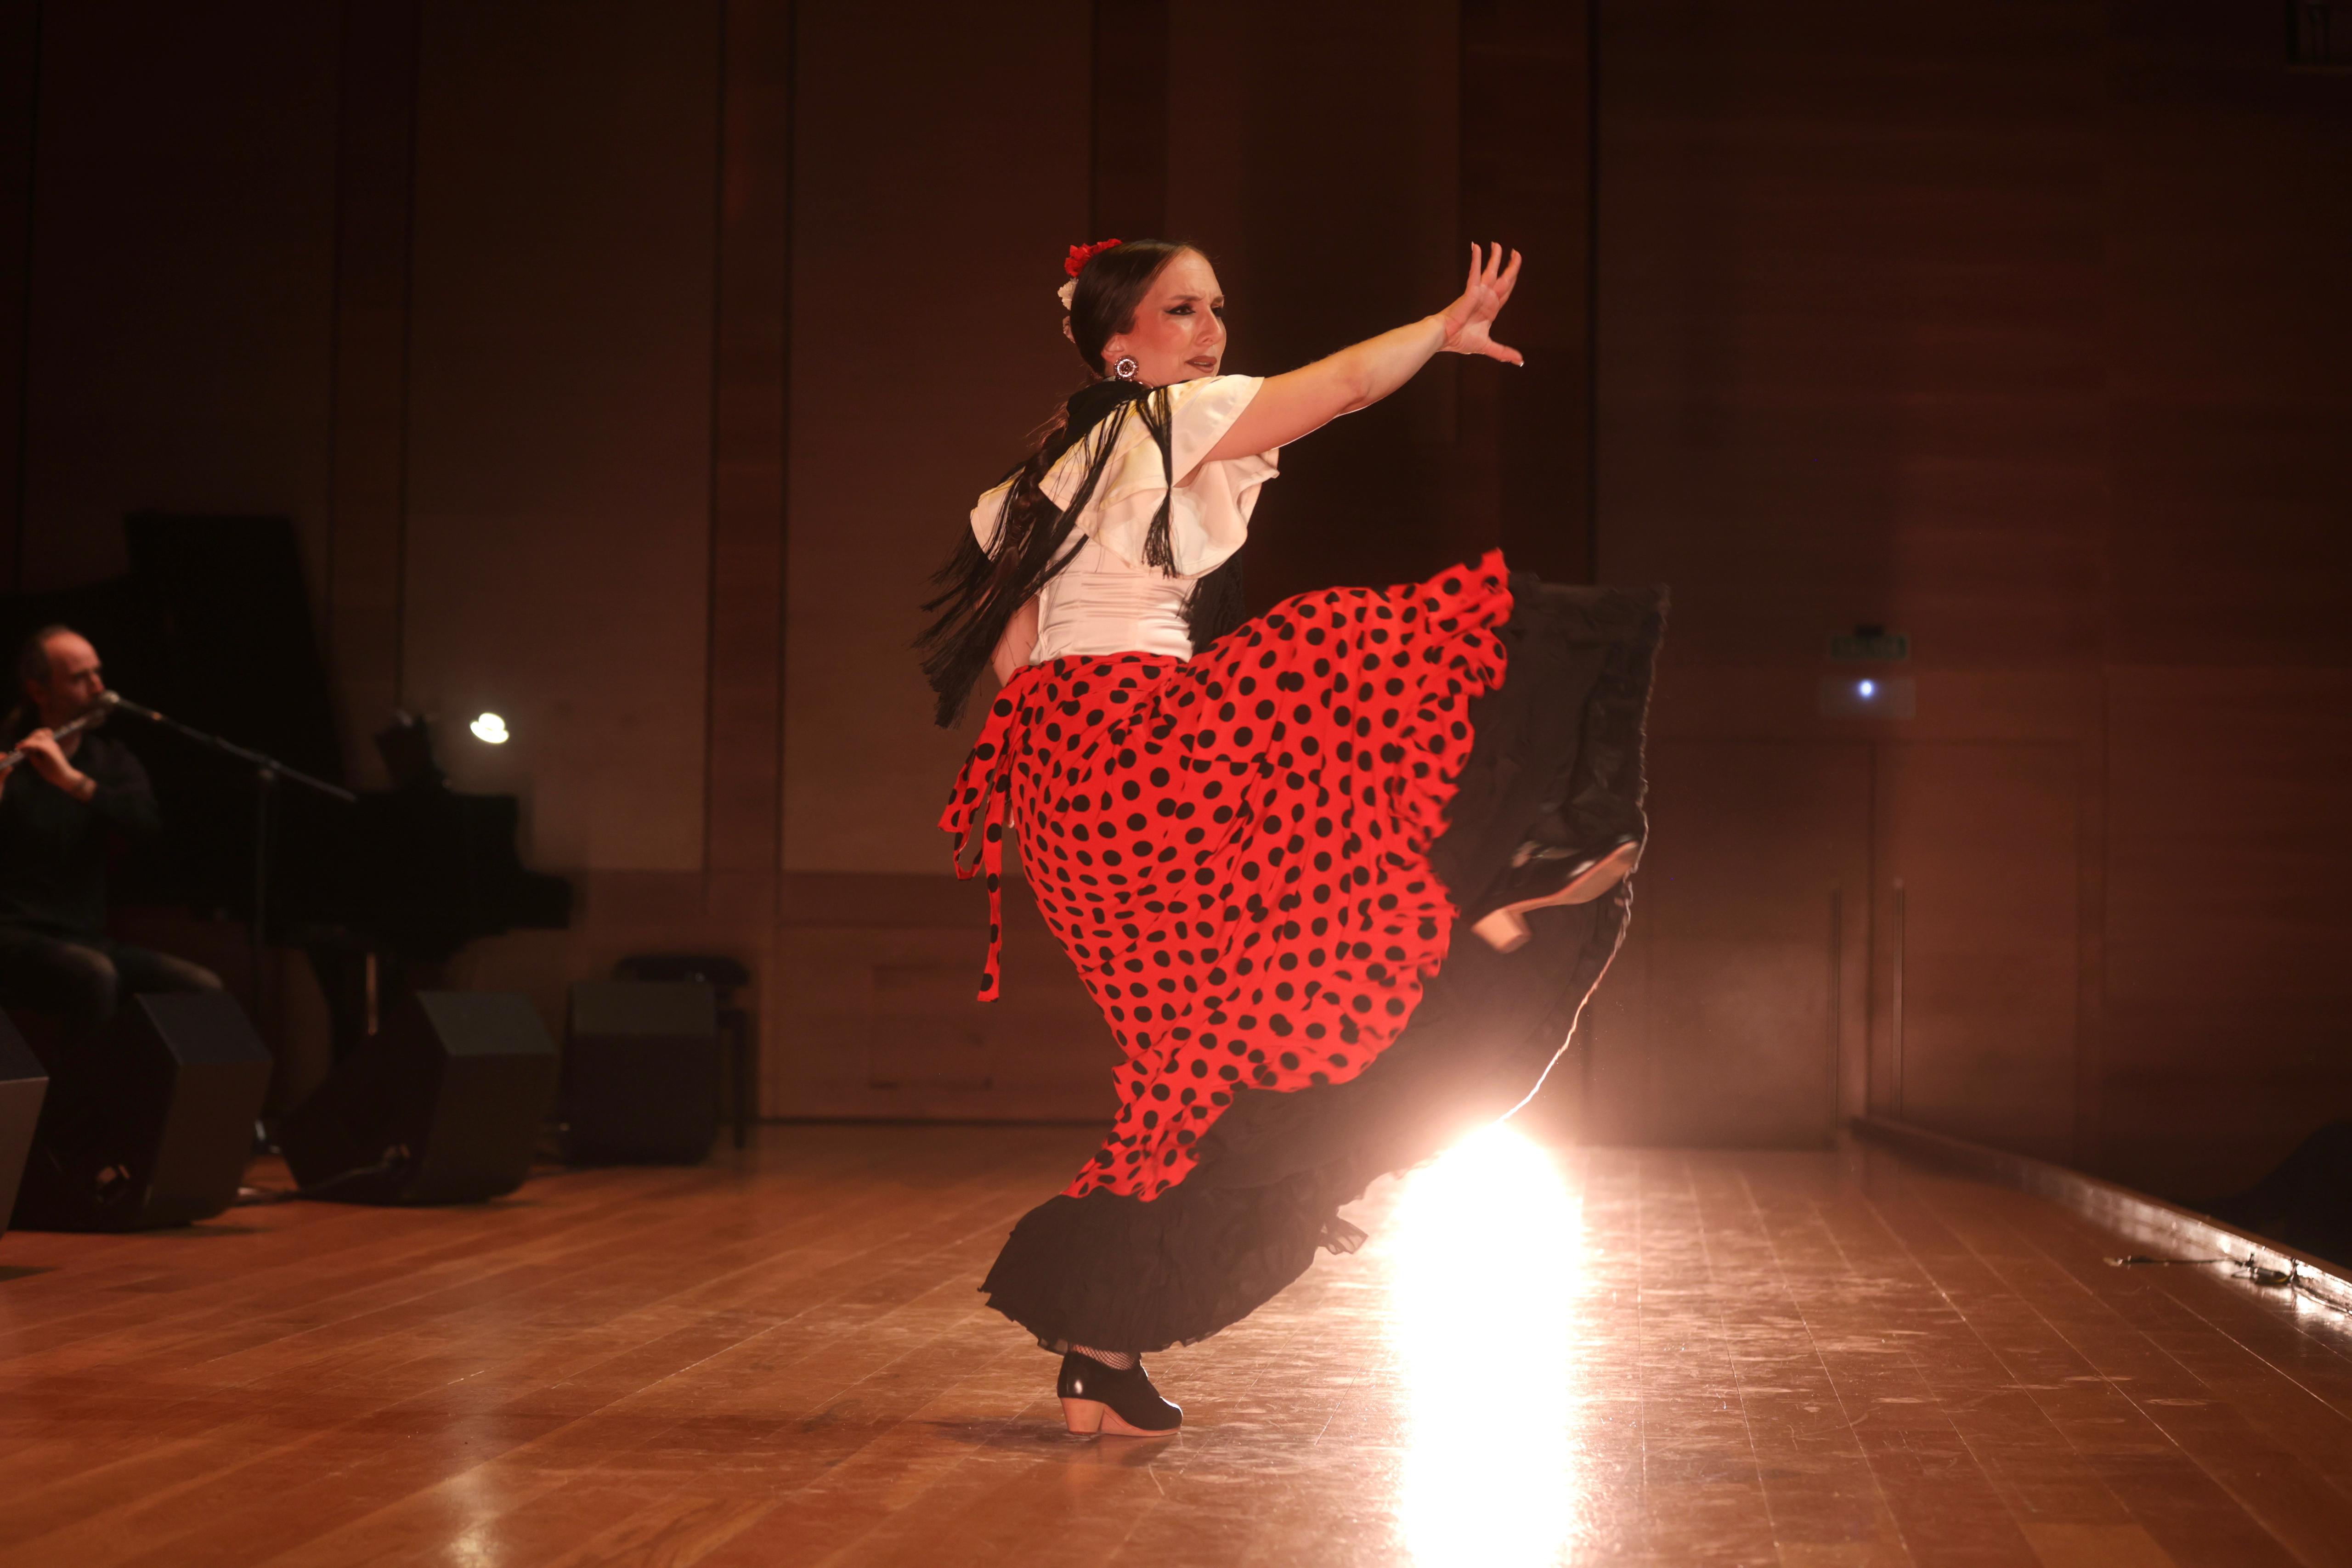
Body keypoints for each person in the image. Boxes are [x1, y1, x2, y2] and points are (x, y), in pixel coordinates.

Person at [922, 239, 1663, 1436]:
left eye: (1218, 306)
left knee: (1192, 1065)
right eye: (1182, 309)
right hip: (1132, 744)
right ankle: (1490, 868)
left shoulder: (1030, 484)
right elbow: (1342, 391)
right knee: (1346, 653)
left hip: (1061, 805)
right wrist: (1441, 329)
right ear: (1123, 343)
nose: (1210, 328)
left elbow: (1011, 663)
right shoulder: (1153, 421)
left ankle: (1097, 1353)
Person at [0, 626, 222, 1049]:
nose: (100, 688)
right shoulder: (9, 755)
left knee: (201, 986)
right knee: (94, 974)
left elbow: (147, 827)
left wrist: (72, 782)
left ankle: (168, 1112)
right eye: (80, 678)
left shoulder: (111, 760)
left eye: (98, 674)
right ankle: (80, 1112)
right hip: (12, 934)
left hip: (84, 935)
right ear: (39, 691)